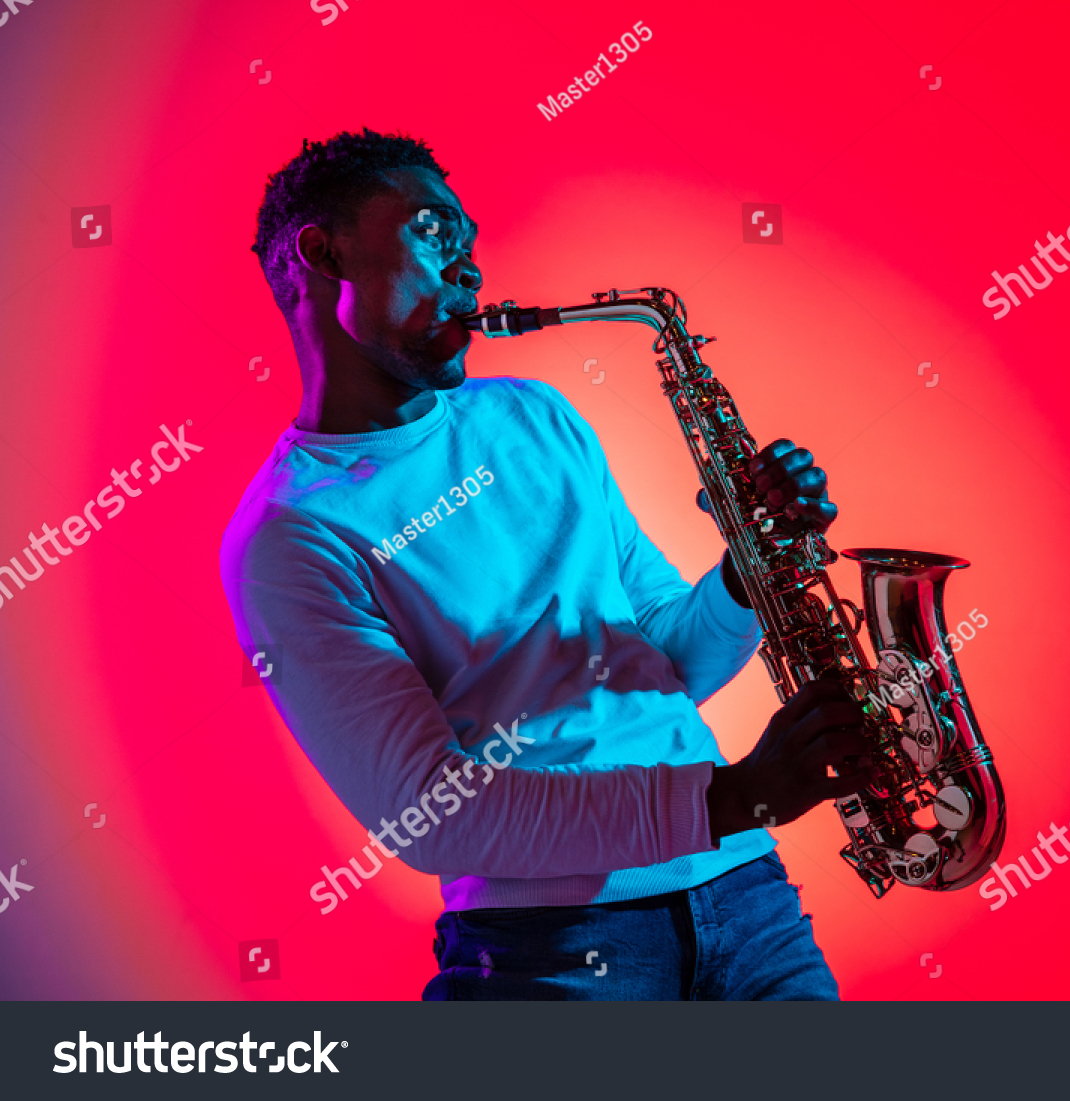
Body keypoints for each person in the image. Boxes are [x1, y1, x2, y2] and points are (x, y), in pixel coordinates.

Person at [221, 128, 875, 1000]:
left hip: (749, 902)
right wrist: (730, 797)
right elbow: (434, 815)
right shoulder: (289, 534)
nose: (471, 270)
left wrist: (747, 566)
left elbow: (665, 662)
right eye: (432, 230)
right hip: (550, 952)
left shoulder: (537, 416)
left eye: (471, 244)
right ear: (323, 251)